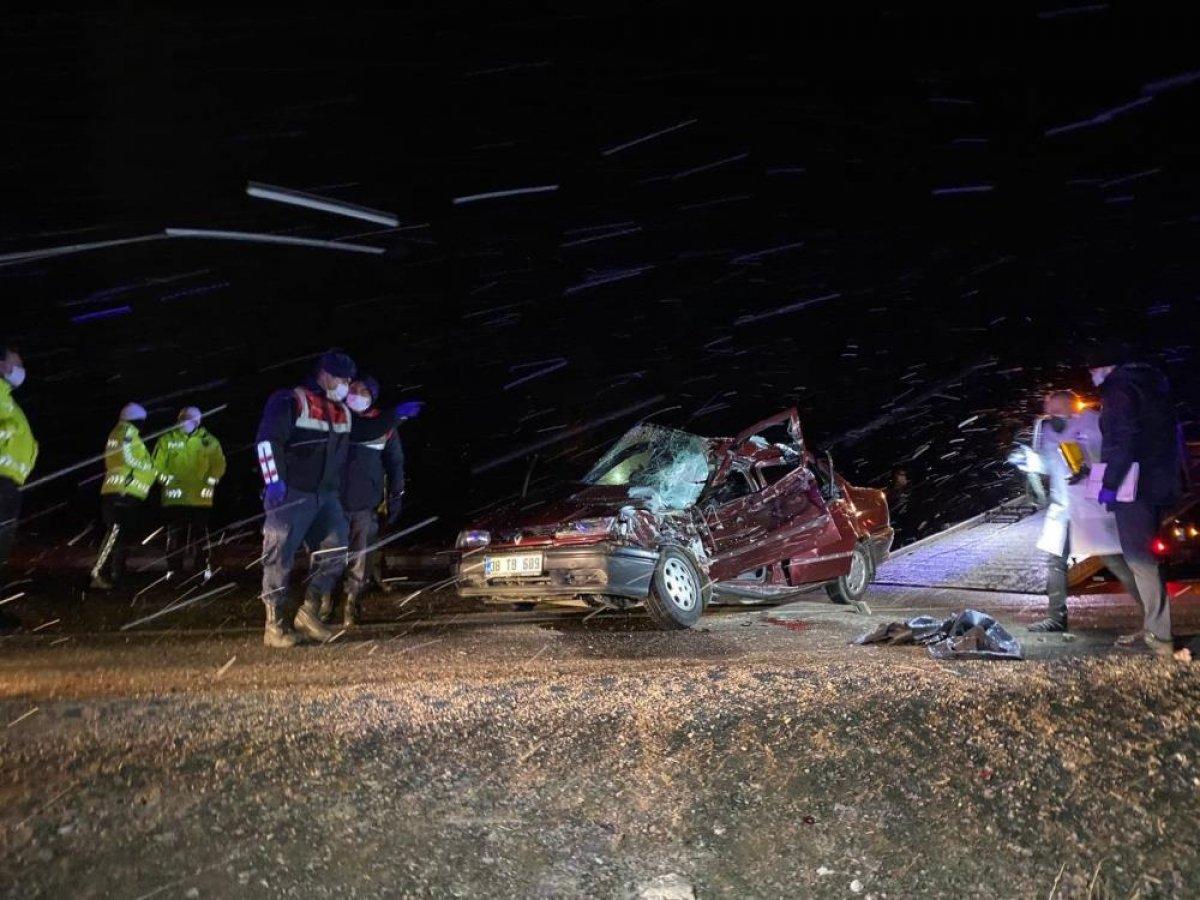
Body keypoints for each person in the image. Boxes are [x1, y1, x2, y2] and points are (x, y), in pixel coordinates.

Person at [1087, 343, 1185, 655]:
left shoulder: (1118, 389)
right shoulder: (1153, 385)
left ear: (1105, 367)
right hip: (1159, 484)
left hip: (1134, 488)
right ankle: (1154, 626)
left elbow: (1122, 440)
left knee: (1140, 560)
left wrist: (1109, 484)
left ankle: (1160, 638)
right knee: (1150, 559)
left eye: (1092, 370)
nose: (1091, 377)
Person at [1019, 390, 1144, 633]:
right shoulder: (1047, 431)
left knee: (1113, 559)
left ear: (1069, 404)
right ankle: (1056, 618)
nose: (1051, 413)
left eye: (1055, 408)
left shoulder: (1092, 422)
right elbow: (1048, 465)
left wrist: (1089, 468)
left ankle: (1153, 616)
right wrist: (1028, 461)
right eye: (1049, 409)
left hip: (1090, 505)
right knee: (1055, 560)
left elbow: (1110, 455)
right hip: (1062, 509)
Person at [255, 351, 357, 648]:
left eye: (350, 380)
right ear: (324, 374)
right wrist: (274, 482)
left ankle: (308, 613)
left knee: (337, 551)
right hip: (291, 494)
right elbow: (267, 441)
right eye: (342, 378)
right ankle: (274, 626)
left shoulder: (342, 411)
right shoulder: (290, 400)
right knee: (279, 557)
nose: (347, 385)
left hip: (326, 496)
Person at [325, 377, 404, 627]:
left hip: (365, 504)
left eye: (362, 391)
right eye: (353, 390)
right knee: (328, 555)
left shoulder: (385, 425)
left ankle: (351, 603)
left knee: (361, 558)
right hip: (332, 503)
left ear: (372, 396)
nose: (355, 395)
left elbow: (395, 463)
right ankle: (324, 602)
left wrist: (396, 495)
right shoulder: (337, 418)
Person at [90, 402, 158, 590]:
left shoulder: (126, 434)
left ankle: (116, 574)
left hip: (126, 492)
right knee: (115, 533)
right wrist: (150, 467)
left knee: (121, 536)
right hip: (121, 492)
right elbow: (128, 457)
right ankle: (100, 573)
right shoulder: (126, 433)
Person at [151, 406, 226, 577]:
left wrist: (212, 479)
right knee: (175, 534)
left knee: (200, 535)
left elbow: (219, 463)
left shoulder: (209, 441)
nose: (186, 422)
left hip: (200, 497)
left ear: (197, 422)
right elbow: (156, 464)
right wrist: (165, 479)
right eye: (183, 419)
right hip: (174, 497)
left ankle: (202, 567)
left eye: (190, 419)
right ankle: (173, 569)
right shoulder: (167, 440)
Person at [0, 345, 37, 619]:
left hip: (10, 483)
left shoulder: (8, 398)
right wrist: (8, 429)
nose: (20, 368)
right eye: (16, 362)